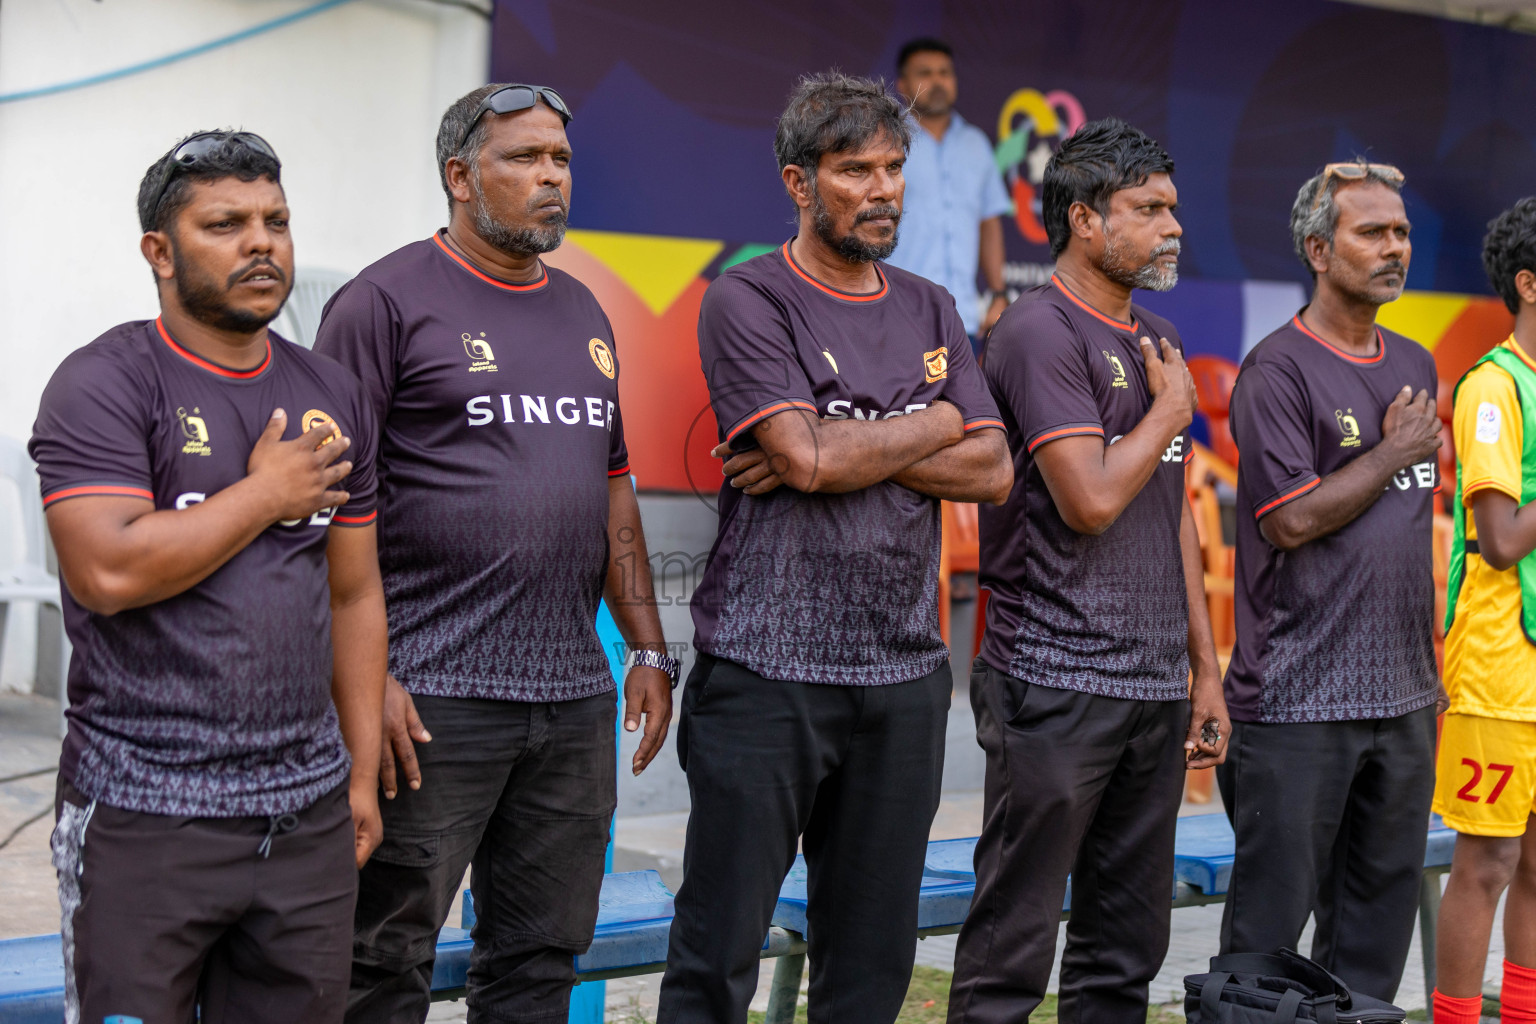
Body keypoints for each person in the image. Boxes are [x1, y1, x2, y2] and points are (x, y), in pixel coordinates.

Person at [313, 83, 676, 1023]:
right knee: (379, 959)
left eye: (560, 159)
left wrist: (644, 644)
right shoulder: (381, 304)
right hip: (426, 701)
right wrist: (368, 677)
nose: (551, 178)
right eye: (524, 159)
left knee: (540, 958)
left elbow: (614, 487)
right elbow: (317, 508)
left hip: (567, 698)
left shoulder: (586, 314)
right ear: (459, 176)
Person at [656, 72, 1011, 1024]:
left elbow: (993, 471)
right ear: (799, 182)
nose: (883, 188)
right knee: (716, 952)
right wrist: (934, 420)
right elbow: (803, 458)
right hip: (765, 674)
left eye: (893, 168)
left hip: (901, 677)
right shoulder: (748, 298)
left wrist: (853, 442)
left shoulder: (934, 306)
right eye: (855, 170)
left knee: (870, 962)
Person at [32, 130, 385, 1023]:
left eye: (276, 221)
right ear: (159, 251)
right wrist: (265, 493)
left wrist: (355, 772)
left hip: (302, 816)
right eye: (225, 224)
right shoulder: (105, 382)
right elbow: (107, 569)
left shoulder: (332, 391)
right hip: (144, 814)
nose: (260, 243)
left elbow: (353, 592)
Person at [948, 117, 1228, 1024]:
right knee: (1011, 953)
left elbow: (1171, 513)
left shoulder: (1159, 336)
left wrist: (1205, 668)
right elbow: (1092, 499)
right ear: (1084, 221)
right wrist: (1170, 411)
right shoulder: (1035, 333)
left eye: (1173, 209)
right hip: (1052, 684)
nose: (1173, 227)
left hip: (1150, 691)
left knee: (1124, 953)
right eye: (1148, 210)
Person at [1217, 161, 1442, 1002]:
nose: (1395, 248)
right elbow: (1290, 520)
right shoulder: (1278, 370)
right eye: (1372, 232)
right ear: (1318, 248)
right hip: (1298, 705)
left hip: (1405, 701)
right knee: (1265, 953)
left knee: (1375, 944)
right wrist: (1389, 454)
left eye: (1402, 232)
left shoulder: (1415, 359)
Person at [1431, 197, 1536, 1024]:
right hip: (1500, 666)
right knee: (1489, 862)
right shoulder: (1494, 387)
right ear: (1529, 285)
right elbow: (1499, 539)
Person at [886, 37, 1013, 352]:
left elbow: (989, 223)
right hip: (894, 313)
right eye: (925, 73)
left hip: (962, 319)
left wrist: (998, 293)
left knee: (961, 403)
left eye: (945, 73)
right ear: (902, 84)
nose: (937, 81)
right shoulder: (885, 140)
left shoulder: (976, 144)